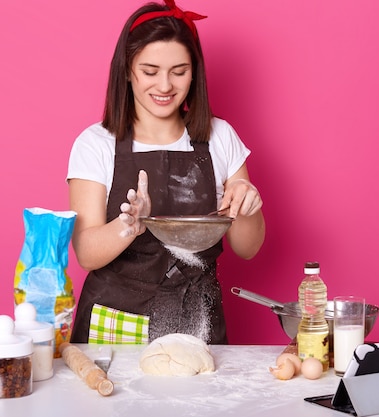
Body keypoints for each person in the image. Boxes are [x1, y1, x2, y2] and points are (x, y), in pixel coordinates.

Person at [67, 0, 265, 345]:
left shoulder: (220, 137)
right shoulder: (96, 143)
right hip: (115, 322)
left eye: (179, 71)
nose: (164, 86)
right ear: (127, 70)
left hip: (197, 320)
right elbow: (86, 252)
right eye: (150, 70)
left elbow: (247, 249)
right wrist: (129, 225)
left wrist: (249, 206)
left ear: (195, 72)